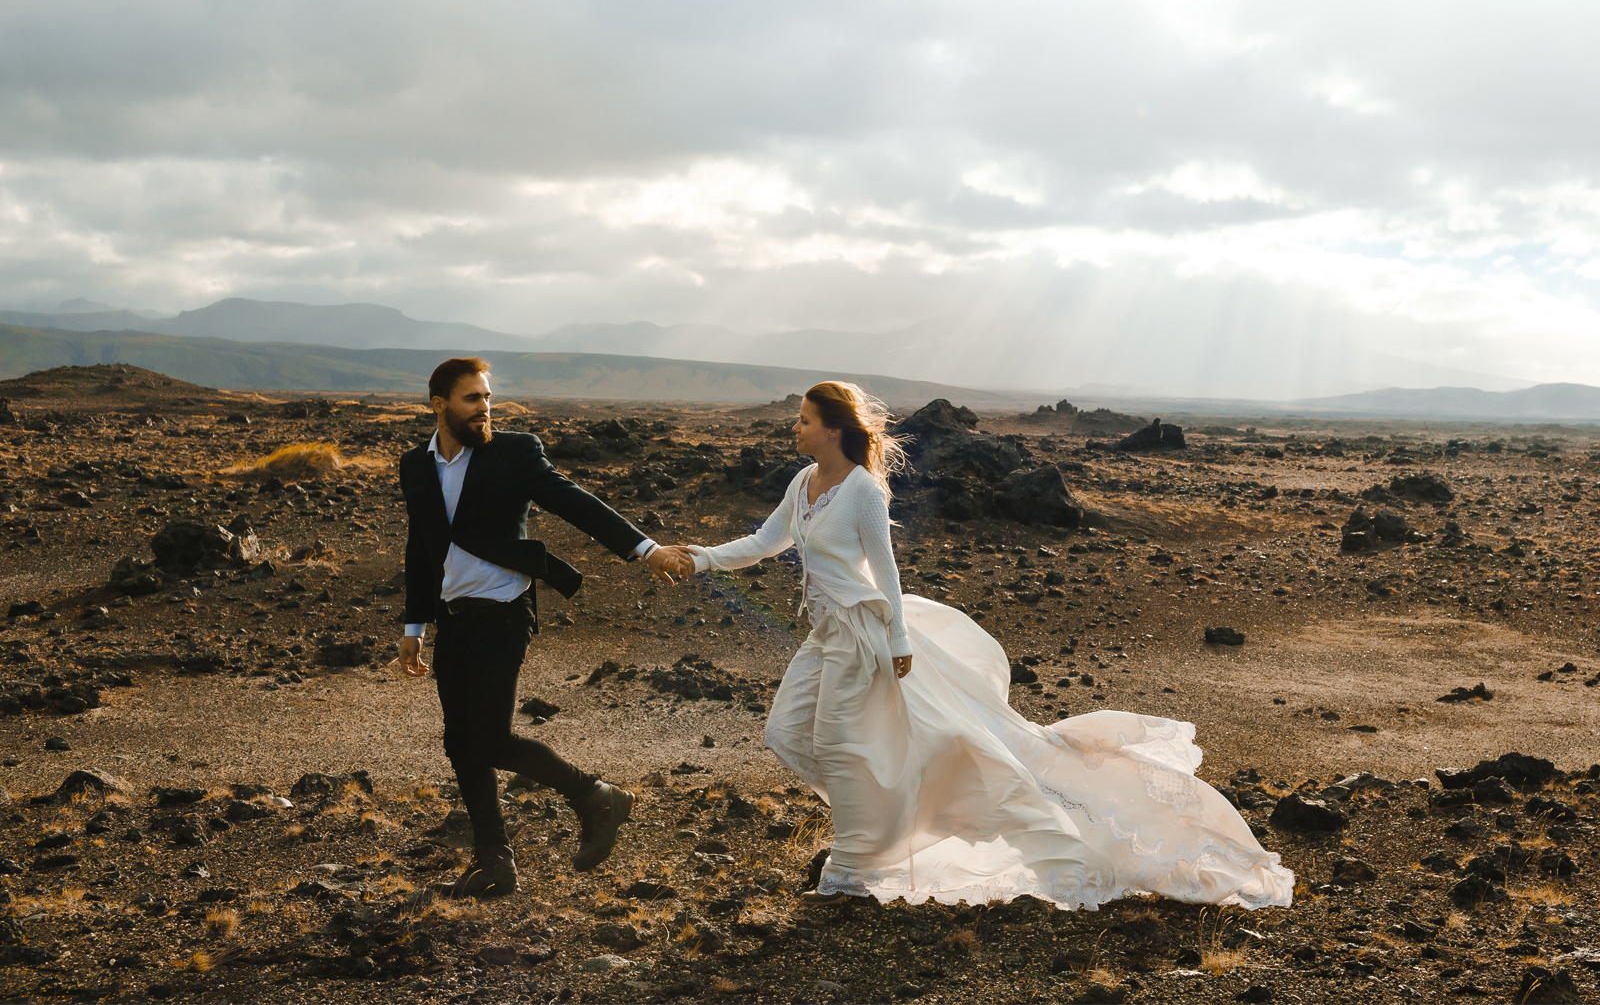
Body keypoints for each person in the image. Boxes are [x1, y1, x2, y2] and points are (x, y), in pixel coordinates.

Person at [656, 382, 1293, 910]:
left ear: (833, 429)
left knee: (841, 747)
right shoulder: (803, 484)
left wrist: (899, 640)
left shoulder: (861, 493)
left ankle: (850, 872)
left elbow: (887, 568)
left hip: (866, 636)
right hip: (827, 635)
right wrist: (700, 559)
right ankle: (888, 821)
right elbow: (766, 542)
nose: (794, 429)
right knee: (788, 734)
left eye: (803, 421)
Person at [397, 357, 682, 898]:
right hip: (453, 616)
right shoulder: (416, 465)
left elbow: (574, 502)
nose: (484, 408)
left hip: (504, 612)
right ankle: (493, 861)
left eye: (487, 397)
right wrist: (415, 625)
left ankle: (596, 796)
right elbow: (421, 547)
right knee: (460, 743)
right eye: (471, 399)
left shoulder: (514, 453)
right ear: (439, 405)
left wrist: (645, 550)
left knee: (490, 739)